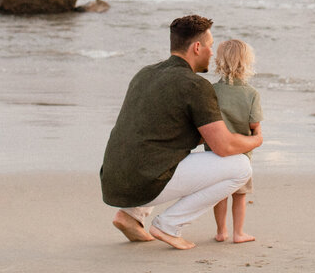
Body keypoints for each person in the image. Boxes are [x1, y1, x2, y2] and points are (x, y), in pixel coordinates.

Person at [100, 14, 263, 250]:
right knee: (240, 166)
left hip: (114, 181)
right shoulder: (195, 85)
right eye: (210, 46)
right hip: (143, 182)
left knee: (163, 150)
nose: (212, 53)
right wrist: (256, 140)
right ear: (197, 47)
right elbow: (224, 147)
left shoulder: (145, 73)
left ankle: (129, 215)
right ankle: (169, 225)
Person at [208, 38, 263, 244]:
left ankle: (221, 231)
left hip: (214, 154)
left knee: (220, 194)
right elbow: (254, 126)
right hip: (242, 155)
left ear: (219, 63)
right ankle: (238, 233)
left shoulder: (212, 91)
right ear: (247, 62)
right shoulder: (251, 94)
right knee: (240, 196)